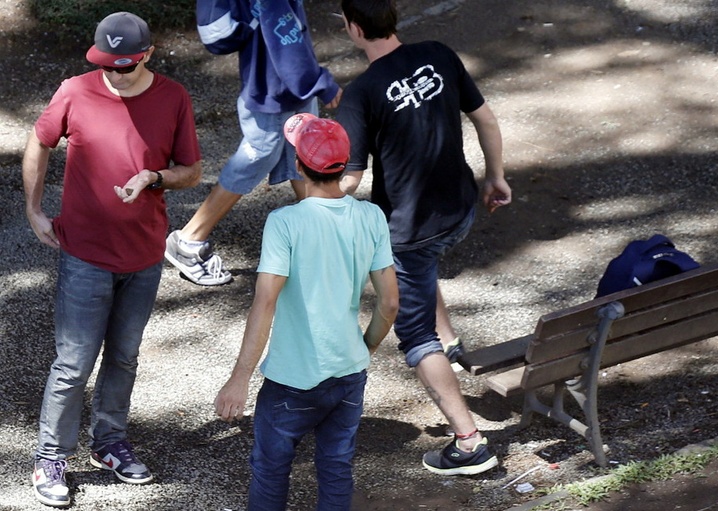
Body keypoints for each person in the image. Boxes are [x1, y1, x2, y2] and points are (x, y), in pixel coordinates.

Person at [22, 12, 203, 508]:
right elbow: (39, 141)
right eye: (108, 65)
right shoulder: (75, 91)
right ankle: (50, 457)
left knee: (124, 357)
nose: (116, 75)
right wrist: (34, 210)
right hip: (85, 254)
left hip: (144, 256)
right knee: (74, 363)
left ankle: (109, 443)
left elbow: (191, 170)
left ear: (146, 55)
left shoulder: (173, 97)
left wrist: (155, 178)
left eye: (126, 66)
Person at [336, 0, 513, 476]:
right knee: (418, 271)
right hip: (460, 210)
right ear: (392, 18)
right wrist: (495, 177)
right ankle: (451, 343)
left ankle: (470, 444)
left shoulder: (362, 92)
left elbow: (350, 180)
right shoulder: (439, 52)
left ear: (354, 29)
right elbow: (487, 120)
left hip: (410, 232)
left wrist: (315, 202)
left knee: (414, 334)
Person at [213, 113, 399, 510]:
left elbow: (264, 302)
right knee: (335, 469)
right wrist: (364, 348)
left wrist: (239, 378)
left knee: (270, 470)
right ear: (345, 165)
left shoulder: (284, 223)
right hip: (349, 372)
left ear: (298, 165)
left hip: (291, 379)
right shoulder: (371, 217)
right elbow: (390, 303)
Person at [163, 0, 344, 286]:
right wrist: (318, 81)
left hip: (278, 84)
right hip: (274, 87)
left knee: (301, 150)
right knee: (259, 154)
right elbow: (286, 39)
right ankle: (188, 239)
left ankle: (324, 236)